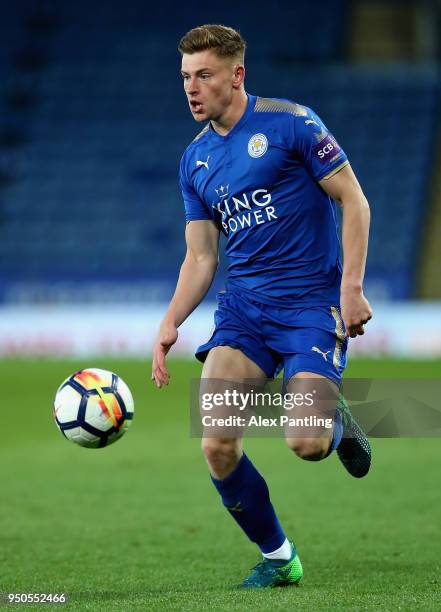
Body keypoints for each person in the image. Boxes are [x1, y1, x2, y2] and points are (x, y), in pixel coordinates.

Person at [151, 24, 373, 588]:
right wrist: (171, 321)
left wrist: (351, 288)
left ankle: (336, 425)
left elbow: (354, 199)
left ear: (237, 74)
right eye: (185, 78)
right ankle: (279, 557)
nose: (192, 89)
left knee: (305, 442)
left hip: (309, 306)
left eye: (204, 75)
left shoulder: (291, 122)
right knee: (217, 444)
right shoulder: (195, 160)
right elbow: (200, 257)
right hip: (244, 313)